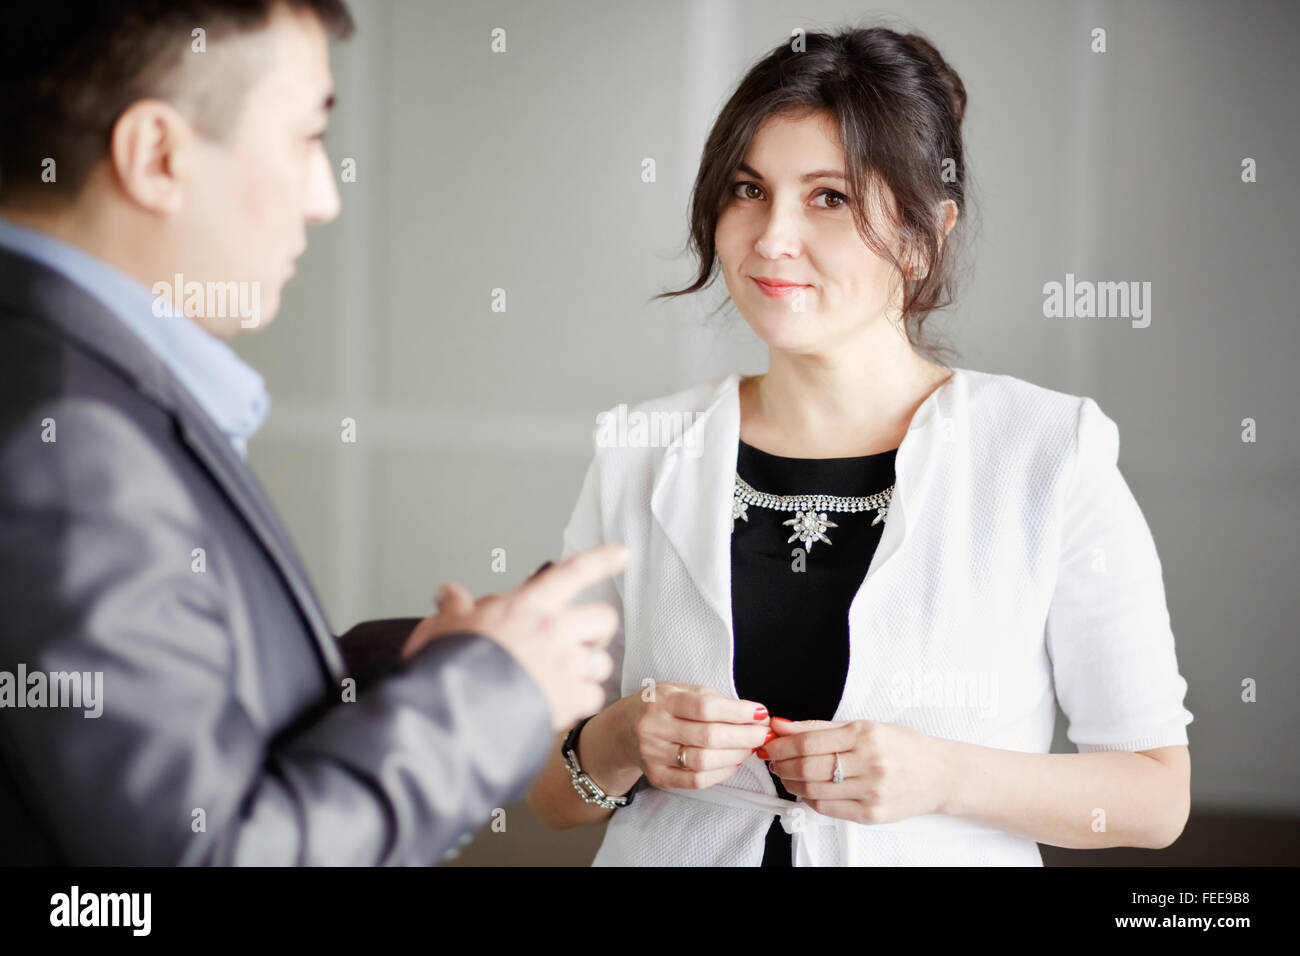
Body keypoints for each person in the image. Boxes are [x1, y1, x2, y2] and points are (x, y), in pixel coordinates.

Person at [526, 26, 1193, 866]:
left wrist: (942, 776)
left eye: (828, 197)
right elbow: (551, 798)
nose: (771, 238)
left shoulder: (1049, 454)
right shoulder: (641, 447)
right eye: (747, 189)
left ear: (925, 236)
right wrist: (622, 736)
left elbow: (1156, 795)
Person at [0, 0, 627, 865]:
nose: (326, 198)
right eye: (304, 139)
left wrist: (424, 665)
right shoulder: (70, 442)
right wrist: (487, 693)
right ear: (158, 156)